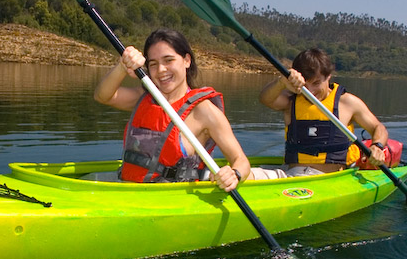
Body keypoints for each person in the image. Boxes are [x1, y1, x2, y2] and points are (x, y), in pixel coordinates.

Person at [93, 28, 250, 191]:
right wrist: (122, 66)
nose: (161, 70)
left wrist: (234, 174)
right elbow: (102, 96)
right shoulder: (144, 97)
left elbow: (241, 161)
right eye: (153, 64)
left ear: (186, 60)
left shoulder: (205, 111)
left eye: (168, 60)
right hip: (130, 189)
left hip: (174, 198)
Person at [255, 47, 389, 178]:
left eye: (316, 83)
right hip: (291, 173)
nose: (310, 91)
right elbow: (265, 99)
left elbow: (378, 127)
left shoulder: (348, 103)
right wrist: (281, 82)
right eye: (305, 86)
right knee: (246, 175)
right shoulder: (291, 99)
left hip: (328, 178)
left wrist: (377, 146)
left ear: (328, 76)